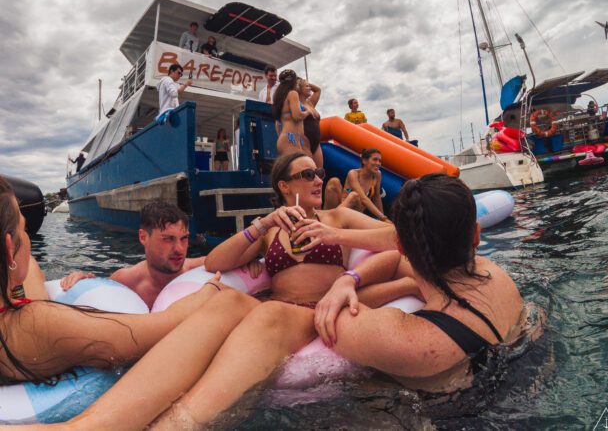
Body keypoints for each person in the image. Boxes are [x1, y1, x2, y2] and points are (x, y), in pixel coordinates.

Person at [40, 153, 408, 429]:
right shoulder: (270, 229)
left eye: (319, 173)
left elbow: (396, 237)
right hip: (281, 304)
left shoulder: (336, 218)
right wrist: (261, 225)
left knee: (269, 314)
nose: (318, 179)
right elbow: (216, 261)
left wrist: (334, 236)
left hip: (317, 312)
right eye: (308, 174)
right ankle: (97, 421)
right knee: (226, 298)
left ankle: (175, 425)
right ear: (284, 186)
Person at [0, 176, 257, 417]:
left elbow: (32, 274)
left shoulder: (24, 308)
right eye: (25, 230)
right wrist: (212, 293)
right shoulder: (41, 320)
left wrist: (249, 264)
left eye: (184, 239)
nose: (178, 248)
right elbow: (152, 330)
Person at [314, 174, 526, 391]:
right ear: (476, 235)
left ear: (401, 246)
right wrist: (352, 278)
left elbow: (325, 313)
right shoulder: (497, 275)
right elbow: (395, 260)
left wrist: (342, 283)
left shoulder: (403, 338)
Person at [59, 201, 206, 308]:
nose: (179, 249)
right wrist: (85, 280)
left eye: (184, 238)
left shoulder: (201, 268)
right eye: (168, 239)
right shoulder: (126, 281)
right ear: (143, 237)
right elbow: (98, 294)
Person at [324, 148, 387, 221]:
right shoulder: (353, 174)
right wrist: (382, 217)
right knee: (334, 182)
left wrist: (383, 220)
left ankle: (334, 219)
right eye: (375, 159)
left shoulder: (377, 175)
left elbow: (377, 197)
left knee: (355, 197)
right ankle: (326, 217)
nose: (378, 163)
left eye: (380, 161)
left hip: (356, 213)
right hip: (343, 206)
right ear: (364, 161)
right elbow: (363, 198)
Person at [273, 69, 310, 156]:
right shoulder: (292, 93)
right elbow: (298, 116)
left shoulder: (279, 97)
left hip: (286, 138)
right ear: (293, 81)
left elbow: (277, 125)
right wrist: (308, 112)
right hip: (291, 139)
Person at [298, 78, 323, 168]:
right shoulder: (296, 104)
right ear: (299, 89)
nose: (310, 88)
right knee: (309, 172)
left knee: (319, 172)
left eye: (309, 86)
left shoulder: (310, 103)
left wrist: (305, 83)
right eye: (307, 86)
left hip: (316, 143)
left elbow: (318, 90)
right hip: (304, 143)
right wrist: (298, 84)